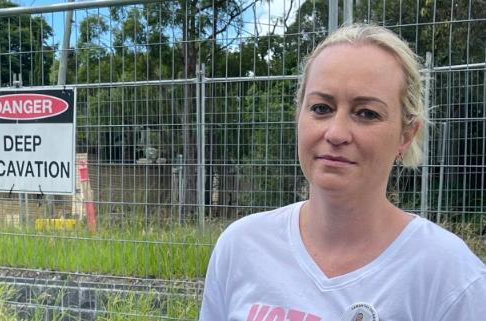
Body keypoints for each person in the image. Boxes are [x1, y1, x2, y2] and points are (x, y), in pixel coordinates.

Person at [199, 24, 486, 321]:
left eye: (366, 113)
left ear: (406, 135)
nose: (336, 133)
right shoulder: (241, 247)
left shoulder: (452, 278)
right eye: (321, 108)